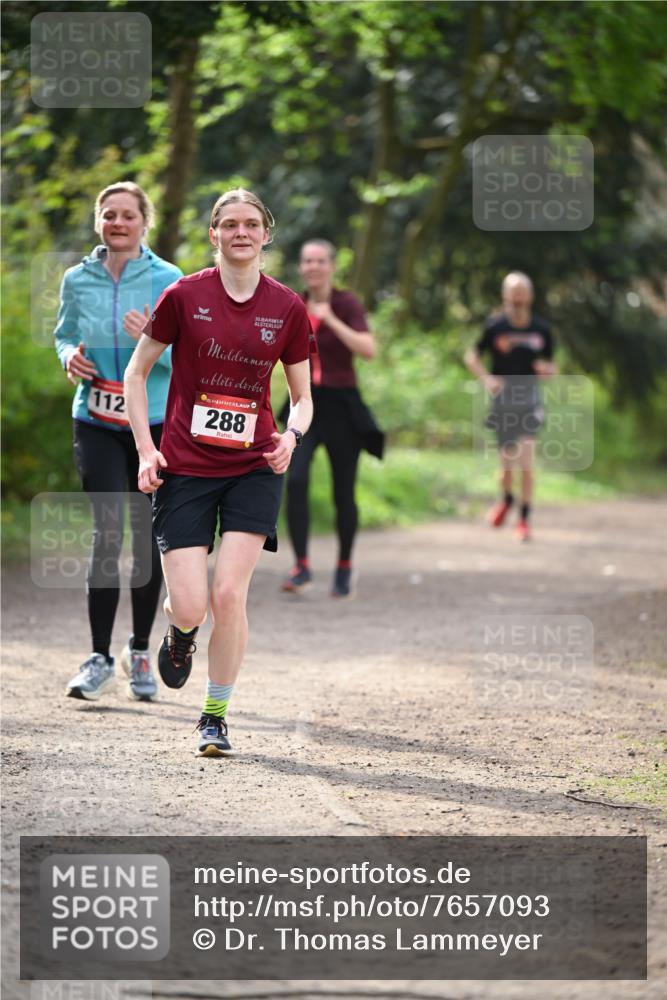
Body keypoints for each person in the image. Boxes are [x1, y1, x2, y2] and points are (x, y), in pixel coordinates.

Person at [124, 188, 313, 757]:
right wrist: (144, 449)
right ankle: (181, 634)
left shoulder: (288, 306)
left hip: (254, 466)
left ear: (266, 234)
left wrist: (291, 436)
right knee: (192, 604)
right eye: (229, 223)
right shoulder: (183, 295)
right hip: (184, 466)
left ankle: (214, 716)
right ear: (213, 233)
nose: (240, 232)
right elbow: (137, 374)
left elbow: (303, 398)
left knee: (229, 594)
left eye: (251, 224)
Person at [54, 181, 181, 701]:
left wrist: (151, 339)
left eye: (129, 215)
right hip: (96, 418)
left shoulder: (169, 279)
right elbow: (63, 333)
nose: (119, 222)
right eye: (110, 214)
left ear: (144, 222)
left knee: (147, 537)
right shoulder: (76, 279)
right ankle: (99, 657)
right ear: (99, 221)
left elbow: (187, 358)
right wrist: (67, 357)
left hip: (150, 423)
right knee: (107, 532)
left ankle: (142, 651)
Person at [281, 239, 384, 598]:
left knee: (344, 491)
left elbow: (368, 349)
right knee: (294, 480)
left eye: (320, 261)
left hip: (342, 406)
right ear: (302, 266)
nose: (313, 267)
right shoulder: (293, 302)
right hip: (304, 402)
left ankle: (343, 566)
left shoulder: (346, 303)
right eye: (307, 261)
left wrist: (332, 320)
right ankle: (301, 565)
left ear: (332, 266)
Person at [464, 271, 557, 542]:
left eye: (521, 291)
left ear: (530, 296)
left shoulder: (541, 329)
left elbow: (551, 365)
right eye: (512, 291)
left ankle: (524, 520)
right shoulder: (495, 327)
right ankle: (506, 499)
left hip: (529, 399)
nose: (517, 297)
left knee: (526, 463)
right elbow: (471, 356)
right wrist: (486, 379)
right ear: (505, 295)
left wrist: (547, 370)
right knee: (506, 466)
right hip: (503, 401)